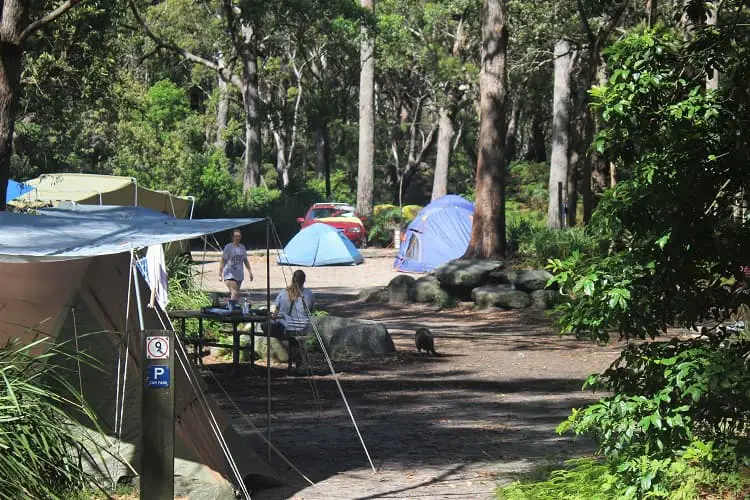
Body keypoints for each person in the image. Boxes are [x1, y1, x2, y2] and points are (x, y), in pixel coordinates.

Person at [264, 270, 315, 371]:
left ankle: (285, 351)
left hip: (286, 328)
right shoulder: (309, 294)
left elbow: (275, 313)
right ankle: (298, 362)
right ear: (304, 280)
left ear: (292, 279)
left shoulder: (283, 293)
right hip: (303, 328)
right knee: (294, 338)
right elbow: (311, 310)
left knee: (264, 325)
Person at [219, 229, 253, 309]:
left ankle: (230, 308)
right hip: (229, 273)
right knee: (235, 292)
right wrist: (220, 273)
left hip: (239, 274)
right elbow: (223, 260)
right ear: (232, 237)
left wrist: (250, 272)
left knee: (234, 294)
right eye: (235, 236)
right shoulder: (228, 247)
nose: (237, 238)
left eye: (239, 236)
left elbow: (245, 260)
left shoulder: (242, 247)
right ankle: (231, 310)